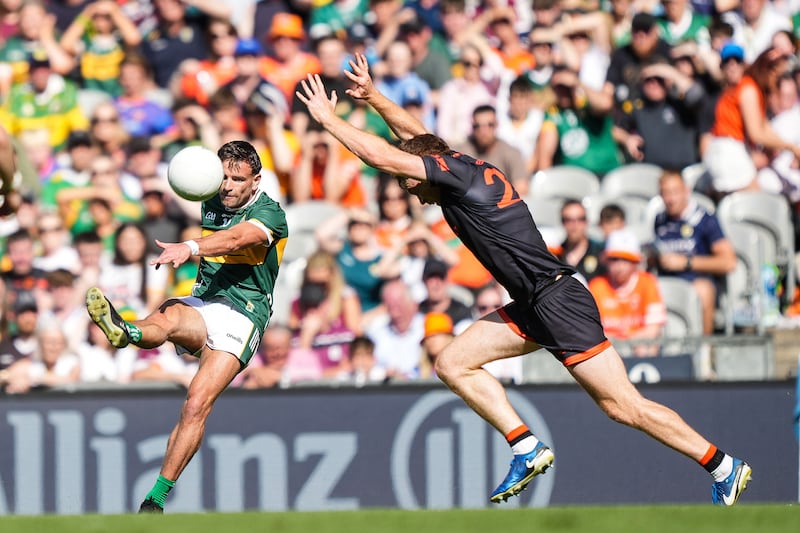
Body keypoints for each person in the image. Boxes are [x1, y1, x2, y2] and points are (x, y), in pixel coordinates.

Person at [297, 53, 752, 506]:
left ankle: (722, 465)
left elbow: (384, 154)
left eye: (409, 184)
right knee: (453, 363)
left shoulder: (451, 177)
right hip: (534, 303)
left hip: (556, 300)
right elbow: (416, 137)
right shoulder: (459, 164)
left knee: (624, 406)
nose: (409, 192)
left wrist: (328, 121)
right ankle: (525, 445)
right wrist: (375, 96)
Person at [84, 140, 288, 513]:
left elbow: (238, 238)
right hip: (206, 301)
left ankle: (156, 498)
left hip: (245, 313)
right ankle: (125, 332)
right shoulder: (210, 196)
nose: (226, 185)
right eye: (222, 176)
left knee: (195, 403)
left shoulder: (270, 214)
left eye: (237, 179)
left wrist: (191, 247)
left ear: (255, 181)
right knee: (169, 315)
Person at [588, 229, 666, 357]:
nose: (619, 266)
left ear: (636, 262)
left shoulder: (647, 283)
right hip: (607, 350)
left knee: (647, 347)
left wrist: (626, 340)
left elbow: (653, 329)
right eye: (614, 259)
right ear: (606, 260)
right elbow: (592, 331)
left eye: (626, 260)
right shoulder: (597, 286)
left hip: (640, 350)